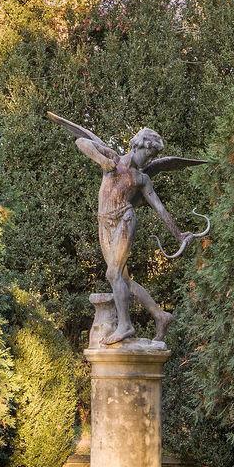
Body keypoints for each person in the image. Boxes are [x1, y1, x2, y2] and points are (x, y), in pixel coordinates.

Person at [49, 114, 209, 344]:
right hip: (104, 223)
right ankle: (160, 315)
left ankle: (125, 326)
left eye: (154, 157)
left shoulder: (141, 179)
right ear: (138, 145)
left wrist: (178, 234)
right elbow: (81, 141)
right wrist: (101, 160)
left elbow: (159, 208)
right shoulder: (113, 159)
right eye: (149, 154)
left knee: (113, 274)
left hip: (124, 219)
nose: (150, 159)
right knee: (123, 279)